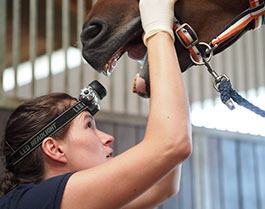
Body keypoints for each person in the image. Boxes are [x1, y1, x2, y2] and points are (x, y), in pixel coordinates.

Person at [0, 0, 192, 208]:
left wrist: (159, 63)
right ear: (54, 148)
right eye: (89, 125)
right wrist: (157, 30)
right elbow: (171, 145)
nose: (108, 138)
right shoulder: (27, 203)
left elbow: (163, 186)